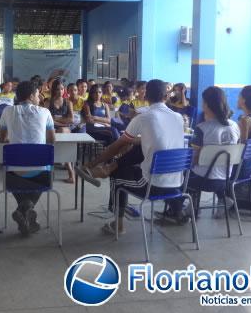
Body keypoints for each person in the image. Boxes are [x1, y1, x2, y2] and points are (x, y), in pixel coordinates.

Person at [76, 79, 185, 235]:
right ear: (166, 96)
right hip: (177, 183)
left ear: (146, 95)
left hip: (152, 184)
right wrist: (138, 140)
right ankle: (108, 167)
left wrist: (91, 163)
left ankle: (118, 225)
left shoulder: (144, 117)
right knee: (139, 145)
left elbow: (117, 145)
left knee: (117, 177)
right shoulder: (178, 117)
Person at [163, 86, 241, 223]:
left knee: (172, 178)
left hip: (204, 180)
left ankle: (177, 211)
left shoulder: (202, 129)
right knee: (191, 173)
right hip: (226, 180)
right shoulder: (235, 126)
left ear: (207, 105)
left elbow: (193, 160)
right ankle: (211, 202)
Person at [0, 81, 56, 236]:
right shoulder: (45, 112)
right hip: (40, 174)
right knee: (44, 170)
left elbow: (1, 138)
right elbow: (51, 140)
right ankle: (27, 208)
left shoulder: (7, 111)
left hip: (13, 174)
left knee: (16, 173)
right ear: (31, 96)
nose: (39, 98)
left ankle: (23, 210)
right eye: (38, 95)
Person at [45, 79, 76, 183]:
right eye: (57, 89)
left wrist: (55, 120)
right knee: (54, 132)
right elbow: (47, 120)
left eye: (62, 89)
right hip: (52, 128)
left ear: (65, 90)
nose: (60, 91)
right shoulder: (48, 102)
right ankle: (70, 172)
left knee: (62, 131)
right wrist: (62, 121)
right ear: (53, 90)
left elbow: (71, 120)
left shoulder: (68, 102)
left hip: (65, 129)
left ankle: (70, 172)